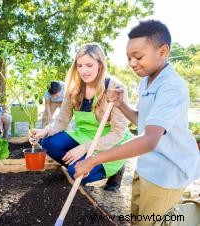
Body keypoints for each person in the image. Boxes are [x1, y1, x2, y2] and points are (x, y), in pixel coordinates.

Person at [74, 20, 200, 225]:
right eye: (129, 57)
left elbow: (150, 139)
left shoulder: (171, 87)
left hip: (168, 172)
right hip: (147, 166)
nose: (132, 63)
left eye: (138, 57)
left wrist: (93, 160)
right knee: (137, 219)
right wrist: (121, 105)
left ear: (163, 51)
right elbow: (144, 122)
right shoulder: (146, 80)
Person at [29, 43, 132, 191]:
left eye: (89, 65)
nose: (84, 71)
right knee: (48, 143)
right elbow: (62, 121)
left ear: (100, 65)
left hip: (109, 140)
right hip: (84, 134)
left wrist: (86, 147)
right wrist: (45, 131)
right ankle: (78, 166)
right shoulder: (74, 89)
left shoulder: (115, 88)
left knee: (73, 172)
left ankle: (114, 169)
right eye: (80, 65)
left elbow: (118, 132)